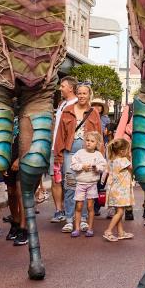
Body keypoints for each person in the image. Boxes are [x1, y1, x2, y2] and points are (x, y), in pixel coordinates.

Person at [54, 83, 103, 233]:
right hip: (70, 153)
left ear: (89, 95)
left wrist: (100, 158)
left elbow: (99, 136)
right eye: (79, 93)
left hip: (88, 154)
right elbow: (60, 135)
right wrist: (58, 156)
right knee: (70, 186)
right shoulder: (67, 111)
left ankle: (82, 219)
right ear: (76, 94)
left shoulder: (93, 113)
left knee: (86, 186)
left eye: (85, 93)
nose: (82, 96)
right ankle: (69, 219)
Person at [47, 75, 78, 222]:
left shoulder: (77, 104)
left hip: (68, 149)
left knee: (70, 180)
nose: (60, 88)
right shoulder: (60, 104)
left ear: (71, 88)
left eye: (63, 86)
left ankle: (71, 212)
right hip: (54, 148)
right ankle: (59, 210)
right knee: (55, 179)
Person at [69, 131, 106, 238]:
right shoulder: (79, 153)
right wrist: (82, 166)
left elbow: (103, 166)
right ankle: (77, 228)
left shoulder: (98, 155)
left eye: (92, 141)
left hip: (92, 184)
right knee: (79, 206)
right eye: (87, 140)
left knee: (90, 206)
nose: (89, 143)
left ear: (97, 143)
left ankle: (90, 229)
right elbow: (73, 165)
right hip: (80, 184)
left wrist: (97, 168)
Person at [104, 137, 133, 241]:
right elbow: (132, 168)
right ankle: (108, 231)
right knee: (120, 212)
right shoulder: (123, 160)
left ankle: (120, 233)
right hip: (120, 191)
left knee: (119, 212)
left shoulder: (112, 160)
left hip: (114, 190)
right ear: (122, 151)